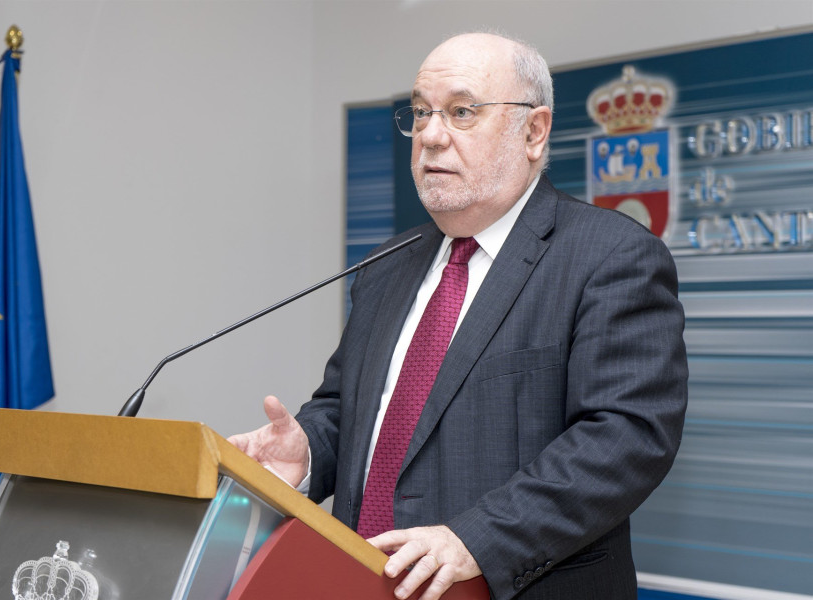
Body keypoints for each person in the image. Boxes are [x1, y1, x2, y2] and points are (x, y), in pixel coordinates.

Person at [229, 33, 688, 600]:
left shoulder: (610, 255)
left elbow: (625, 438)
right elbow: (350, 411)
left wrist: (478, 538)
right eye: (421, 112)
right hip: (359, 582)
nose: (430, 136)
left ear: (534, 131)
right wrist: (307, 453)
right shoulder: (386, 265)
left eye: (461, 112)